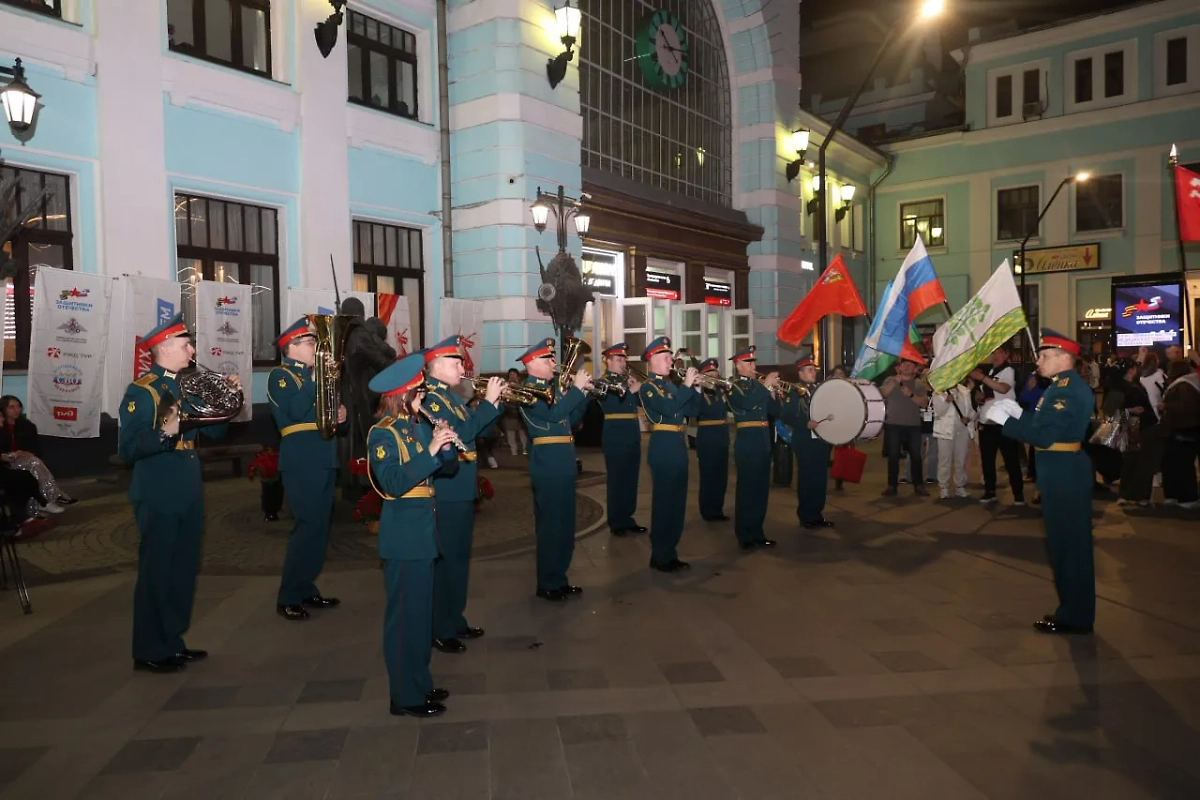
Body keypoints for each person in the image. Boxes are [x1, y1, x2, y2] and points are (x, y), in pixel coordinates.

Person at [118, 313, 236, 672]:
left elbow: (214, 434)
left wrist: (227, 401)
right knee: (158, 568)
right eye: (186, 345)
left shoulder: (187, 386)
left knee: (183, 566)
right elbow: (129, 448)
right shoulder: (143, 390)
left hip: (186, 481)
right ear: (165, 348)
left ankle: (172, 640)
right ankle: (149, 649)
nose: (193, 350)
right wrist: (165, 433)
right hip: (159, 483)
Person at [366, 353, 459, 717]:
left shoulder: (417, 426)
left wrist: (445, 443)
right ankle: (404, 696)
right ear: (401, 394)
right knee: (404, 619)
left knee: (421, 618)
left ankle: (418, 681)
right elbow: (391, 484)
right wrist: (431, 451)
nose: (424, 397)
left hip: (423, 532)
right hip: (404, 535)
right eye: (419, 391)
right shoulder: (383, 433)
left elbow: (445, 469)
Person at [991, 329, 1095, 635]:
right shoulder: (1059, 387)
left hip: (1064, 474)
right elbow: (1042, 424)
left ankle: (1075, 617)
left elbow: (1046, 436)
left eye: (1045, 355)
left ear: (1064, 359)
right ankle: (1073, 612)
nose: (1039, 360)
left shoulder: (1066, 390)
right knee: (1064, 546)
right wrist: (1019, 415)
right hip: (1060, 472)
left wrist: (1007, 422)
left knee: (1069, 547)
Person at [421, 336, 505, 652]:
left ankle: (454, 619)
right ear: (437, 366)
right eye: (455, 362)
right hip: (446, 489)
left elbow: (477, 430)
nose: (462, 366)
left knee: (458, 560)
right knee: (446, 561)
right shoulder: (432, 398)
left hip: (460, 487)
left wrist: (493, 405)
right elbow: (461, 435)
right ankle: (440, 627)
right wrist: (487, 403)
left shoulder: (452, 398)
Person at [267, 318, 348, 622]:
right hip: (301, 459)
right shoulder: (280, 376)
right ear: (291, 348)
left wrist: (339, 415)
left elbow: (326, 415)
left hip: (324, 456)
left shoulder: (314, 377)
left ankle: (305, 587)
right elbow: (298, 411)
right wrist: (316, 378)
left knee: (319, 528)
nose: (315, 347)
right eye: (310, 343)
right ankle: (288, 595)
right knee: (305, 527)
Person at [519, 338, 591, 601]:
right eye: (548, 359)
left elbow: (570, 418)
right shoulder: (528, 391)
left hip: (563, 462)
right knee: (551, 527)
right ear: (532, 364)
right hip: (548, 464)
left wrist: (583, 394)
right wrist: (575, 391)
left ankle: (559, 577)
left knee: (564, 525)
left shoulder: (555, 390)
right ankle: (547, 582)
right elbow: (553, 414)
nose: (553, 362)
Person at [639, 336, 700, 569]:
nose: (670, 361)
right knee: (664, 503)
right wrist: (685, 387)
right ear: (652, 360)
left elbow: (694, 410)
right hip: (663, 445)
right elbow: (667, 408)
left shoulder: (672, 385)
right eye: (665, 357)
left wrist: (695, 387)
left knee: (677, 504)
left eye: (670, 357)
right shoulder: (649, 387)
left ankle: (670, 552)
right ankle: (660, 554)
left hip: (677, 444)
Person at [727, 345, 781, 548]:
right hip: (747, 443)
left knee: (761, 491)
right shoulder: (734, 387)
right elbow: (747, 403)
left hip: (763, 441)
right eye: (748, 362)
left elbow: (775, 412)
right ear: (738, 365)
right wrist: (765, 387)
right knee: (747, 491)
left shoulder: (760, 386)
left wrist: (774, 393)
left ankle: (758, 531)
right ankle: (744, 534)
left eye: (753, 361)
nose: (753, 365)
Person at [595, 343, 646, 535]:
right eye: (618, 359)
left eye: (624, 358)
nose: (623, 362)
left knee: (631, 479)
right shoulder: (603, 382)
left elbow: (640, 404)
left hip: (632, 432)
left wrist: (639, 389)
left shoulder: (627, 380)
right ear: (608, 361)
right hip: (615, 433)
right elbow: (611, 404)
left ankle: (627, 518)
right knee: (617, 479)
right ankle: (616, 521)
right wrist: (631, 389)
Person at [779, 356, 833, 529]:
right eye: (809, 370)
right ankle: (806, 515)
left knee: (820, 478)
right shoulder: (793, 391)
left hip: (821, 438)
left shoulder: (819, 389)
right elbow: (786, 415)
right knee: (808, 477)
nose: (814, 372)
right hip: (804, 439)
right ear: (800, 372)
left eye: (814, 369)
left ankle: (817, 513)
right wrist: (805, 423)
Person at [0, 395, 74, 513]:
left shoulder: (27, 426)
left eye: (18, 406)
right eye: (11, 407)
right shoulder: (1, 426)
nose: (16, 410)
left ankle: (43, 503)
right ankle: (52, 496)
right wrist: (12, 454)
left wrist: (26, 452)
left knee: (34, 463)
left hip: (25, 459)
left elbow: (36, 448)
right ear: (3, 409)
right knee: (34, 464)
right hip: (6, 462)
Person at [971, 346, 1025, 505]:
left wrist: (982, 378)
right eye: (992, 352)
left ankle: (1018, 493)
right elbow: (987, 395)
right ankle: (990, 491)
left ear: (1006, 354)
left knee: (1011, 459)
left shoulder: (1008, 370)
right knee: (987, 459)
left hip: (1004, 422)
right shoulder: (991, 373)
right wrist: (979, 397)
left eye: (998, 352)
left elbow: (1003, 388)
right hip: (987, 422)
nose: (994, 356)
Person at [880, 357, 929, 497]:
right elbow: (881, 393)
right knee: (893, 456)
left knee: (916, 456)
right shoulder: (891, 381)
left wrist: (911, 395)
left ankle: (918, 485)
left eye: (910, 365)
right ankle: (891, 486)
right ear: (899, 368)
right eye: (904, 364)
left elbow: (924, 403)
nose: (906, 366)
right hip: (893, 423)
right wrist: (894, 382)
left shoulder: (919, 384)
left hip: (913, 424)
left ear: (915, 369)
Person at [1116, 359, 1158, 507]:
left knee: (1135, 461)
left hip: (1136, 426)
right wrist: (1131, 410)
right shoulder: (1126, 386)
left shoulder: (1126, 385)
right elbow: (1111, 411)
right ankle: (1136, 495)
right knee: (1137, 461)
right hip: (1136, 426)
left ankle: (1133, 494)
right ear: (1131, 370)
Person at [1159, 359, 1200, 508]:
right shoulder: (1187, 384)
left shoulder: (1180, 385)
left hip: (1177, 430)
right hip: (1184, 431)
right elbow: (1187, 408)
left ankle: (1178, 496)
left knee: (1175, 464)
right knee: (1180, 465)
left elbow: (1184, 407)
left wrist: (1165, 406)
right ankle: (1184, 497)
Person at [694, 358, 730, 522]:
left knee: (721, 475)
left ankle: (717, 509)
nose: (714, 374)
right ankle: (707, 510)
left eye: (715, 371)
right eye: (709, 372)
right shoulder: (700, 391)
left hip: (722, 435)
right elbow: (699, 410)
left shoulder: (719, 390)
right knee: (708, 474)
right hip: (707, 436)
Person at [931, 376, 975, 499]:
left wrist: (969, 418)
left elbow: (971, 410)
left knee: (961, 458)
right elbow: (939, 411)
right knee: (944, 459)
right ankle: (944, 487)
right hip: (945, 431)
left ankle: (960, 485)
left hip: (962, 430)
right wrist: (946, 401)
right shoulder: (939, 392)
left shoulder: (964, 391)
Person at [500, 368, 530, 456]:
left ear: (518, 375)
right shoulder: (504, 385)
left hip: (520, 411)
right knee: (510, 433)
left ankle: (525, 449)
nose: (512, 375)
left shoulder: (522, 384)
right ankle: (514, 450)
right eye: (510, 374)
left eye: (514, 374)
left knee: (523, 432)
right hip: (509, 411)